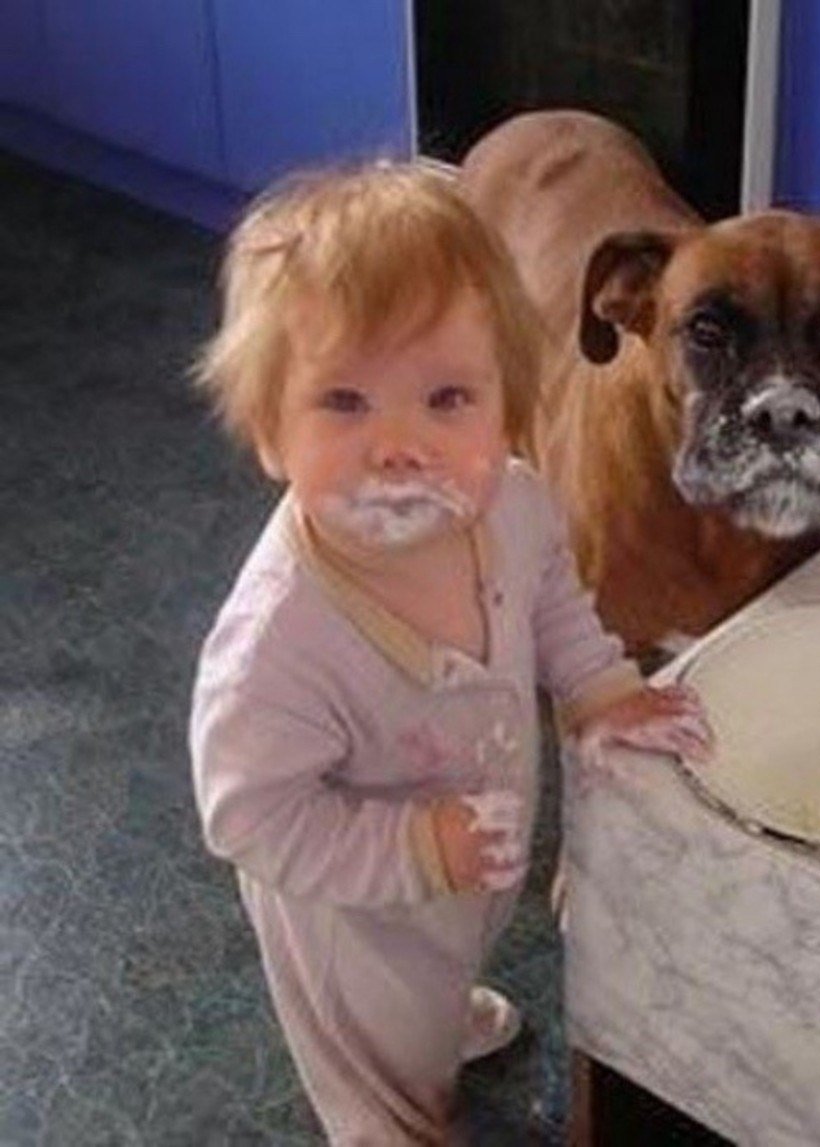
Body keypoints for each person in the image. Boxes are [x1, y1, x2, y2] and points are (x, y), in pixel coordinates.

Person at [188, 160, 713, 1145]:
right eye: (344, 402)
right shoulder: (278, 645)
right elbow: (248, 814)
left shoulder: (512, 500)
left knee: (436, 979)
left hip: (460, 877)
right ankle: (391, 1106)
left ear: (511, 409)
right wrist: (415, 849)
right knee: (382, 1079)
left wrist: (603, 689)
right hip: (346, 920)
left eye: (447, 398)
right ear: (267, 429)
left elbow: (555, 595)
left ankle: (432, 1024)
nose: (401, 444)